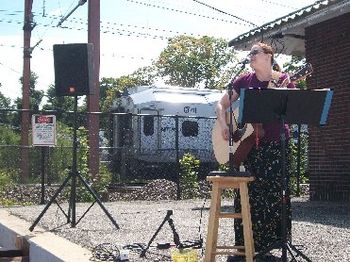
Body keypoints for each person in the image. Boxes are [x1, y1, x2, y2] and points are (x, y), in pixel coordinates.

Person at [215, 42, 295, 261]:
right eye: (249, 53)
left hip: (277, 144)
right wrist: (224, 125)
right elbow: (220, 104)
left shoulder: (283, 79)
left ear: (268, 56)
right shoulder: (243, 81)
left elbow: (294, 109)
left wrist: (279, 96)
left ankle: (271, 245)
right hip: (251, 147)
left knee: (274, 194)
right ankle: (245, 246)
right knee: (248, 195)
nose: (250, 56)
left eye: (255, 52)